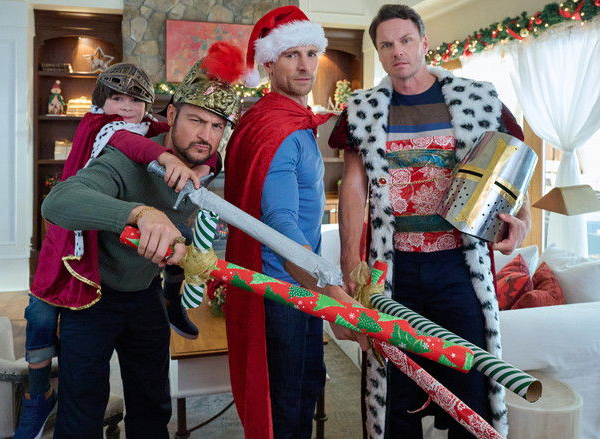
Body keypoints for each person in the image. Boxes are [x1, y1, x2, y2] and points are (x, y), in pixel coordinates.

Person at [329, 4, 529, 438]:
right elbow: (354, 188)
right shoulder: (363, 109)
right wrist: (349, 263)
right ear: (379, 52)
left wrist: (522, 221)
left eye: (405, 41)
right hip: (393, 270)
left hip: (459, 267)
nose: (397, 51)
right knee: (395, 385)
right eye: (386, 45)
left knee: (470, 385)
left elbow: (513, 161)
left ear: (424, 43)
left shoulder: (477, 99)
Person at [36, 42, 244, 439]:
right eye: (196, 121)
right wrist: (140, 213)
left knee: (153, 407)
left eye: (217, 126)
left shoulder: (206, 165)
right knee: (81, 412)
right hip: (93, 297)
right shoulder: (124, 156)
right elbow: (59, 201)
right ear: (171, 115)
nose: (206, 135)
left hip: (146, 294)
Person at [223, 6, 368, 439]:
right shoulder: (278, 128)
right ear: (269, 64)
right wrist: (334, 294)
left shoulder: (290, 121)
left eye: (310, 53)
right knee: (288, 405)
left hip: (300, 283)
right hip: (282, 289)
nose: (305, 65)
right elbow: (280, 221)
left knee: (306, 388)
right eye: (291, 55)